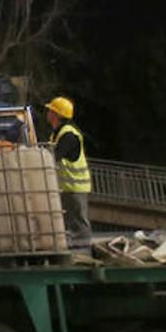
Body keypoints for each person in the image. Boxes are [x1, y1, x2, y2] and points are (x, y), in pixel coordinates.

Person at [45, 96, 92, 251]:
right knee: (71, 221)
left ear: (57, 114)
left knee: (78, 221)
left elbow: (55, 156)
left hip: (75, 186)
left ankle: (83, 251)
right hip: (67, 186)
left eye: (51, 111)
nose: (48, 113)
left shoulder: (69, 135)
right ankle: (75, 248)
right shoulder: (58, 133)